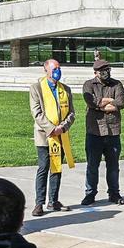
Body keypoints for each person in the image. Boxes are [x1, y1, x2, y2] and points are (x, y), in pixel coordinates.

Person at [29, 59, 76, 217]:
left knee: (57, 168)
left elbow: (71, 113)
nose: (58, 71)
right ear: (46, 70)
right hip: (45, 135)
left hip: (61, 135)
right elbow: (37, 113)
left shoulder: (66, 89)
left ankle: (54, 200)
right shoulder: (37, 88)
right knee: (43, 168)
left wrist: (62, 127)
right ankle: (39, 203)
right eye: (55, 68)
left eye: (59, 67)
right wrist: (51, 129)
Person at [82, 58, 124, 206]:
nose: (106, 73)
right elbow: (92, 102)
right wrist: (109, 101)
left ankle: (114, 193)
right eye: (102, 71)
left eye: (108, 70)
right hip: (94, 132)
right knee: (92, 165)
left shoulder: (117, 84)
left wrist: (101, 104)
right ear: (95, 72)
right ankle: (90, 194)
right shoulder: (88, 85)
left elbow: (120, 103)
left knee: (113, 166)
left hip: (112, 132)